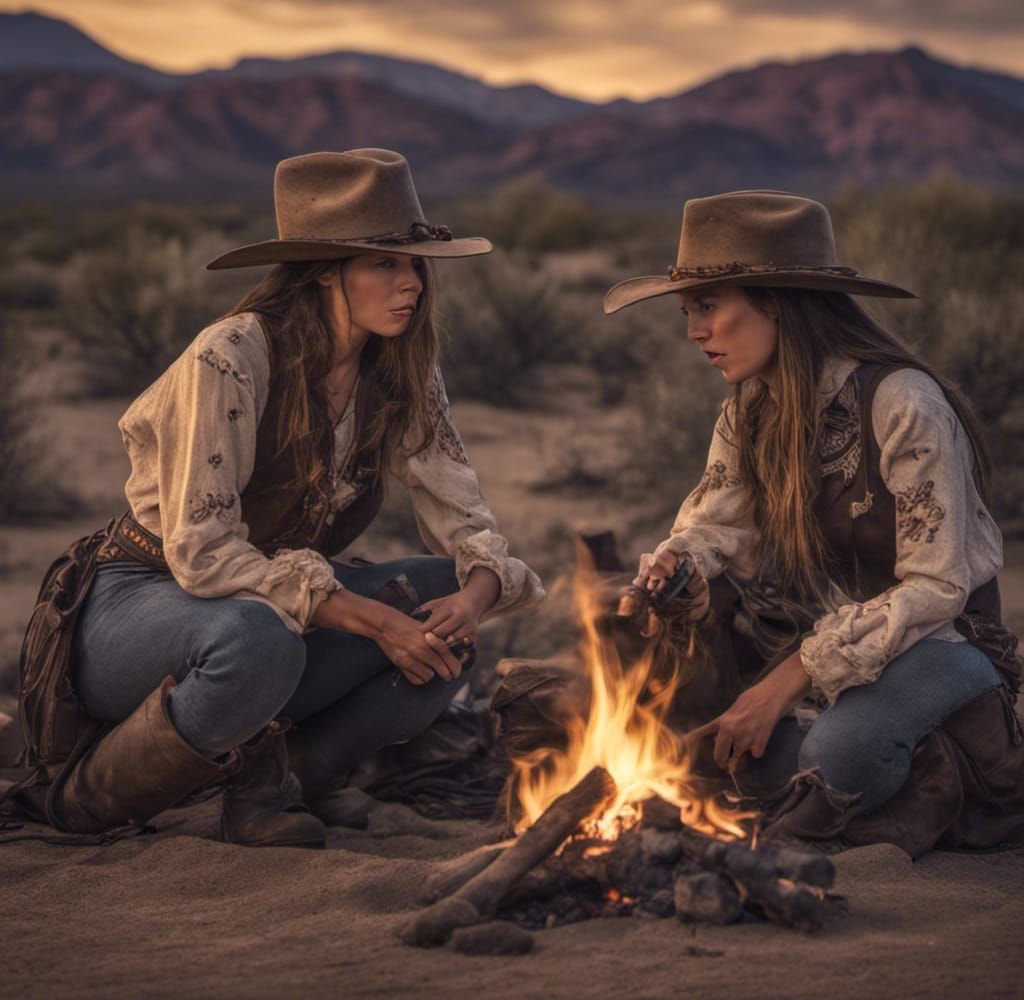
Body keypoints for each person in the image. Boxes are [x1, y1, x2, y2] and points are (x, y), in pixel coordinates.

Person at [13, 148, 543, 849]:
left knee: (440, 605)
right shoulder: (230, 357)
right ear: (325, 270)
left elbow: (463, 518)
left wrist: (468, 604)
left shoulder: (404, 369)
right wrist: (377, 624)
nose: (410, 281)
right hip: (144, 598)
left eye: (416, 263)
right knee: (259, 640)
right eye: (384, 262)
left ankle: (287, 779)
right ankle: (79, 801)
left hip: (274, 610)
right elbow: (201, 552)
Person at [603, 190, 1024, 855]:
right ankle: (881, 776)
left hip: (946, 642)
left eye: (709, 308)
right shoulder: (750, 411)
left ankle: (925, 769)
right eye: (688, 313)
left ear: (777, 302)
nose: (694, 333)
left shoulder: (901, 402)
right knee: (708, 732)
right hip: (832, 647)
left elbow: (936, 588)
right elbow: (716, 523)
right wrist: (679, 564)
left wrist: (788, 677)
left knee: (831, 753)